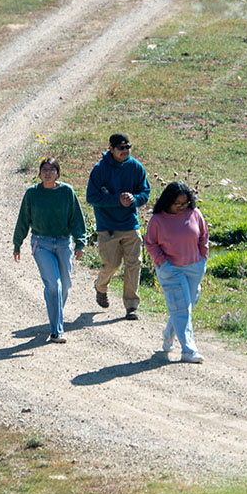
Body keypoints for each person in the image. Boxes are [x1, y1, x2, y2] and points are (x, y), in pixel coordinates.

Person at [12, 157, 87, 344]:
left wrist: (80, 243)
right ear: (39, 173)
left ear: (57, 173)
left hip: (63, 243)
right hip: (41, 244)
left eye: (51, 170)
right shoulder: (32, 193)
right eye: (44, 169)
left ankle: (54, 311)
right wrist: (17, 244)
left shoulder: (67, 192)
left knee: (65, 285)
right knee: (54, 285)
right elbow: (23, 219)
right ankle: (56, 330)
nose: (47, 173)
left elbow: (77, 219)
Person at [85, 133, 149, 320]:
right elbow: (91, 197)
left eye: (128, 147)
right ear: (111, 149)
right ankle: (101, 286)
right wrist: (117, 199)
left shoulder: (136, 167)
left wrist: (135, 199)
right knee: (111, 264)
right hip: (108, 227)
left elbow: (145, 192)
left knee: (133, 264)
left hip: (130, 224)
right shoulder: (100, 169)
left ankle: (131, 306)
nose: (125, 151)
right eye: (121, 148)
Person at [144, 182, 209, 363]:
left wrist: (203, 259)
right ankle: (189, 350)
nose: (182, 207)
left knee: (187, 304)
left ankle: (168, 335)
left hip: (194, 267)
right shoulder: (158, 219)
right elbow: (150, 243)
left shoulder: (195, 214)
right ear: (168, 201)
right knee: (182, 309)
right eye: (177, 204)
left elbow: (203, 236)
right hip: (170, 269)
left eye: (185, 203)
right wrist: (163, 264)